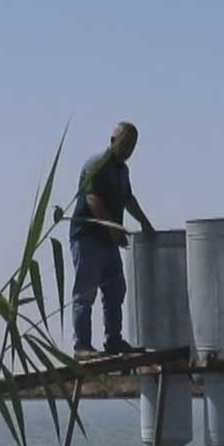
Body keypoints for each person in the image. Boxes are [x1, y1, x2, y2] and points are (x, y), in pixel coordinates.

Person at [68, 121, 154, 356]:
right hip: (87, 238)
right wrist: (114, 229)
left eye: (132, 147)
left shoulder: (122, 170)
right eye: (125, 144)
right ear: (113, 141)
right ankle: (82, 346)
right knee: (85, 292)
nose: (128, 150)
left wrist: (145, 223)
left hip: (107, 240)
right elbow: (92, 200)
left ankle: (113, 340)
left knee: (116, 289)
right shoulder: (97, 165)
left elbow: (127, 199)